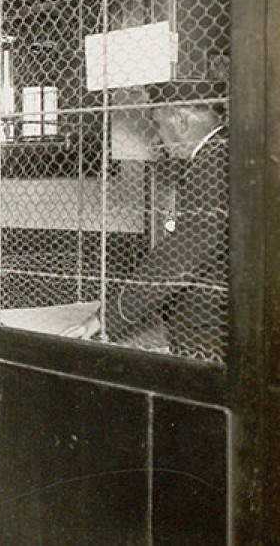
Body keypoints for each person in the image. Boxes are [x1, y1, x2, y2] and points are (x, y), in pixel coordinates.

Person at [62, 90, 228, 362]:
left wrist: (107, 317)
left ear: (181, 120)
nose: (156, 138)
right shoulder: (219, 153)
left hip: (208, 333)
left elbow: (181, 254)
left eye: (158, 125)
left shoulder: (212, 162)